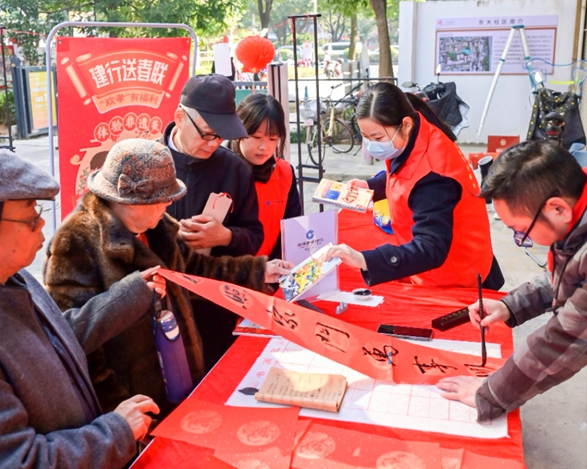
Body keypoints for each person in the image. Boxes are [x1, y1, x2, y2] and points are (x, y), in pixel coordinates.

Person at [0, 141, 167, 468]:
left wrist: (129, 295)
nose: (43, 225)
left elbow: (53, 341)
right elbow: (16, 461)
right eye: (30, 217)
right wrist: (114, 432)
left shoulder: (10, 277)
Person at [43, 139, 291, 419]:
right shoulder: (75, 241)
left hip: (179, 377)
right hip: (132, 403)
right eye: (164, 199)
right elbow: (69, 336)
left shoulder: (159, 226)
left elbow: (197, 271)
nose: (170, 204)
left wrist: (259, 271)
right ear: (132, 201)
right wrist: (118, 413)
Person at [437, 140, 587, 421]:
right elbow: (568, 275)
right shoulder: (575, 209)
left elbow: (567, 338)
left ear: (557, 209)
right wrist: (509, 306)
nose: (522, 241)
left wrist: (491, 392)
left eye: (522, 232)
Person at [325, 82, 504, 290]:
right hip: (450, 262)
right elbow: (407, 172)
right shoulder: (417, 131)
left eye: (377, 137)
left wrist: (365, 260)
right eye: (365, 137)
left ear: (406, 124)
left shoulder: (435, 177)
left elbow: (430, 248)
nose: (372, 145)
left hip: (454, 277)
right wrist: (370, 186)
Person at [160, 74, 266, 367]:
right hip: (159, 305)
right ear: (179, 118)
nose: (213, 143)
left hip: (215, 303)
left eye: (221, 136)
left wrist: (226, 238)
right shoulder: (147, 162)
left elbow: (254, 234)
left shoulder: (235, 169)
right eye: (207, 134)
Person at [228, 93, 301, 260]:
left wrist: (274, 270)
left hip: (273, 275)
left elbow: (291, 229)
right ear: (238, 130)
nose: (264, 147)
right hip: (230, 277)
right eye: (256, 137)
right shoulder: (220, 172)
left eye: (273, 139)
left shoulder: (285, 172)